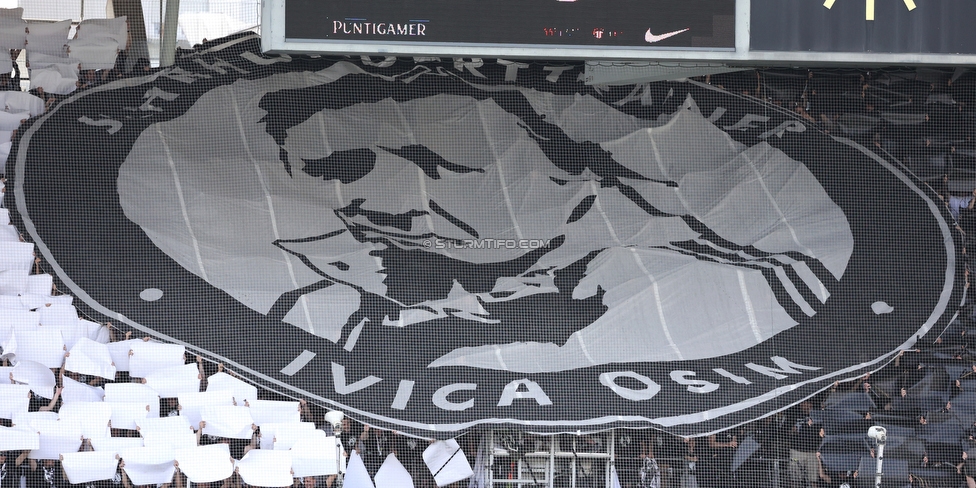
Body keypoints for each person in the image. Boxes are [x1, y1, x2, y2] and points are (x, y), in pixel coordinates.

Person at [118, 72, 853, 374]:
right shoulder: (324, 294)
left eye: (420, 162)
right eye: (349, 176)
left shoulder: (657, 245)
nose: (409, 200)